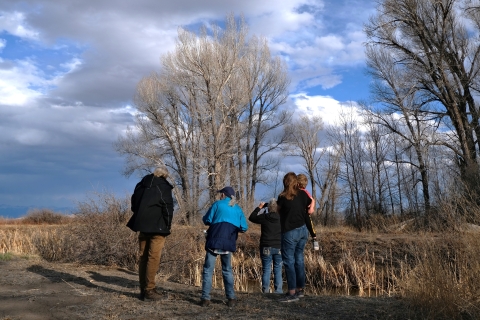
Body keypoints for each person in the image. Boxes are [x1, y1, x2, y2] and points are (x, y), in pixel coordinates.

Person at [127, 166, 174, 301]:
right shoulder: (163, 187)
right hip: (158, 227)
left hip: (142, 226)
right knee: (153, 258)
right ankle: (150, 290)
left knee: (143, 257)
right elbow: (168, 207)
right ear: (164, 176)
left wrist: (140, 215)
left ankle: (143, 289)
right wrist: (167, 224)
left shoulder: (141, 185)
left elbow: (133, 204)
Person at [200, 186, 248, 308]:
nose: (220, 195)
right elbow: (244, 227)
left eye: (221, 193)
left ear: (223, 195)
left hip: (214, 241)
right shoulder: (237, 208)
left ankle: (205, 299)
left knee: (208, 270)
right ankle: (231, 298)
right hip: (228, 243)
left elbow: (207, 220)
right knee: (227, 270)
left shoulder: (217, 204)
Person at [276, 172, 313, 302]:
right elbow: (310, 204)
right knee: (299, 259)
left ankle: (291, 293)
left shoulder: (282, 197)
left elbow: (279, 211)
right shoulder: (303, 194)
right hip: (303, 230)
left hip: (289, 231)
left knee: (289, 261)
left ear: (285, 183)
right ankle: (300, 289)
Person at [248, 198, 283, 294]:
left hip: (266, 246)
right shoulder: (282, 218)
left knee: (266, 269)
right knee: (278, 269)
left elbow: (252, 217)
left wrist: (259, 207)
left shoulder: (265, 217)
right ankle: (279, 291)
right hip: (279, 246)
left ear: (268, 207)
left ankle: (265, 291)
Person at [297, 174, 317, 242]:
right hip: (302, 214)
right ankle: (313, 235)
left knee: (307, 218)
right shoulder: (303, 192)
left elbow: (312, 200)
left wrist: (311, 208)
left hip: (304, 212)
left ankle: (313, 235)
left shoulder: (305, 192)